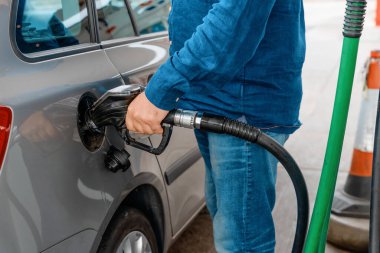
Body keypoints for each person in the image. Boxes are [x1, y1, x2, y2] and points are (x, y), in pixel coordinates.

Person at [126, 0, 305, 252]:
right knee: (228, 225)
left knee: (241, 242)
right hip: (219, 101)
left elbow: (234, 21)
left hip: (242, 106)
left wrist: (162, 89)